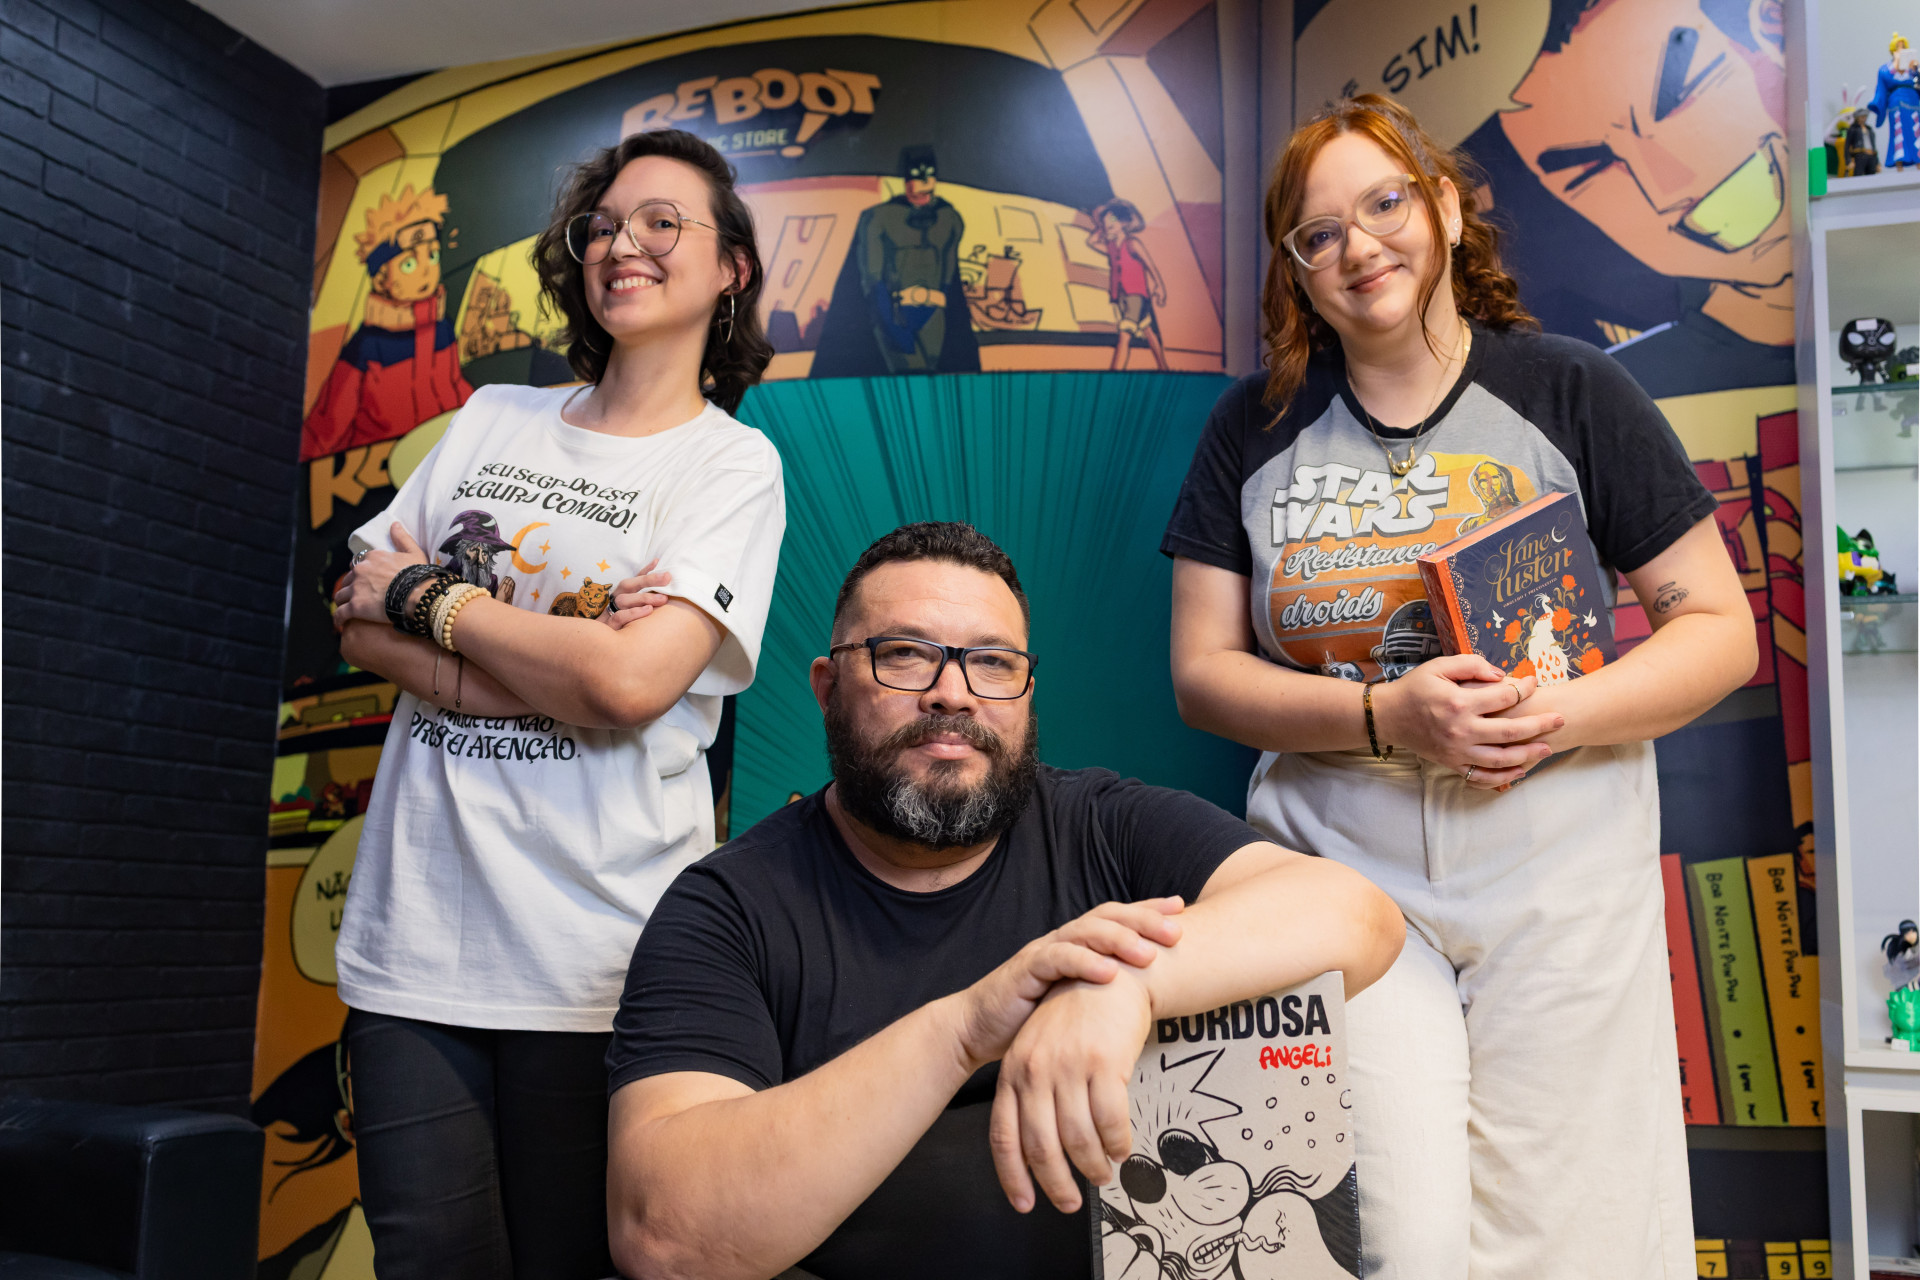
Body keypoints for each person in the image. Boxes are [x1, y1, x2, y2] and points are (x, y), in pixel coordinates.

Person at [1162, 95, 1757, 1279]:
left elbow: (1718, 629)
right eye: (1319, 233)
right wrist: (1384, 716)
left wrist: (1549, 715)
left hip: (1557, 864)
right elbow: (1203, 674)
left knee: (1571, 1239)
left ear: (1441, 208)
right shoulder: (1254, 425)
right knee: (1397, 1238)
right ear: (1296, 268)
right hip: (1341, 871)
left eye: (1384, 203)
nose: (1359, 247)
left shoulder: (1570, 388)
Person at [603, 521, 1403, 1280]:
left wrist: (1124, 984)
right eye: (905, 655)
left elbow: (1357, 915)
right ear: (828, 686)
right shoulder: (727, 908)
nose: (952, 694)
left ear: (1026, 693)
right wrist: (965, 1031)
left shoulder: (1105, 826)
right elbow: (663, 1237)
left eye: (992, 663)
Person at [325, 128, 786, 1279]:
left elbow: (629, 684)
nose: (623, 244)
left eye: (663, 222)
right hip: (414, 941)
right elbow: (355, 613)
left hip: (599, 956)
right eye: (604, 225)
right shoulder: (494, 417)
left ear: (731, 267)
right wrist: (559, 660)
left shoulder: (730, 466)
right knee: (427, 1261)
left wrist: (431, 598)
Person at [810, 146, 981, 376]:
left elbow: (949, 276)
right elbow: (872, 278)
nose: (923, 182)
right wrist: (889, 323)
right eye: (916, 174)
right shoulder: (880, 218)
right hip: (896, 312)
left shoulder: (949, 219)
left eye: (929, 174)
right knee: (908, 374)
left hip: (935, 313)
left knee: (930, 377)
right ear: (906, 179)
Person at [1087, 199, 1169, 371]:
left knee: (1124, 335)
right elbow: (1092, 242)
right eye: (1104, 221)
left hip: (1136, 296)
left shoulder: (1133, 243)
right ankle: (1164, 368)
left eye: (1112, 219)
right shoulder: (1111, 247)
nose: (1108, 224)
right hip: (1121, 296)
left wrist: (1159, 286)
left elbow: (1150, 265)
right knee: (1148, 330)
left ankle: (1114, 374)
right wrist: (1101, 228)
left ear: (1123, 222)